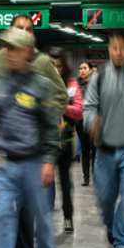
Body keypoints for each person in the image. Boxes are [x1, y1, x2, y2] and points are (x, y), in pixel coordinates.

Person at [0, 14, 66, 248]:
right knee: (0, 218)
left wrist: (49, 160)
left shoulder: (41, 85)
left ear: (27, 52)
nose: (8, 54)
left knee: (41, 217)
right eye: (6, 48)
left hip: (34, 161)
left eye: (14, 49)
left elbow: (51, 126)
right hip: (6, 162)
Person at [84, 31, 124, 248]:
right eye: (113, 48)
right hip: (106, 150)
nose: (118, 52)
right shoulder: (98, 77)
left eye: (121, 48)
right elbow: (89, 107)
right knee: (106, 198)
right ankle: (112, 226)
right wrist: (92, 123)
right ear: (109, 50)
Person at [47, 48, 83, 234]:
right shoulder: (43, 84)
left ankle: (68, 216)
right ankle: (45, 217)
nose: (56, 69)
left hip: (66, 140)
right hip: (46, 140)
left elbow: (78, 110)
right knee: (46, 181)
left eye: (59, 65)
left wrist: (61, 106)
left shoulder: (72, 84)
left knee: (65, 181)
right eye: (52, 65)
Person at [76, 61, 96, 185]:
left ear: (90, 70)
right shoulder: (77, 84)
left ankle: (95, 176)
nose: (82, 70)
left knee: (94, 150)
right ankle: (86, 178)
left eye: (84, 68)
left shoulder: (95, 83)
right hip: (80, 121)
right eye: (80, 68)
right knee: (84, 150)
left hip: (93, 120)